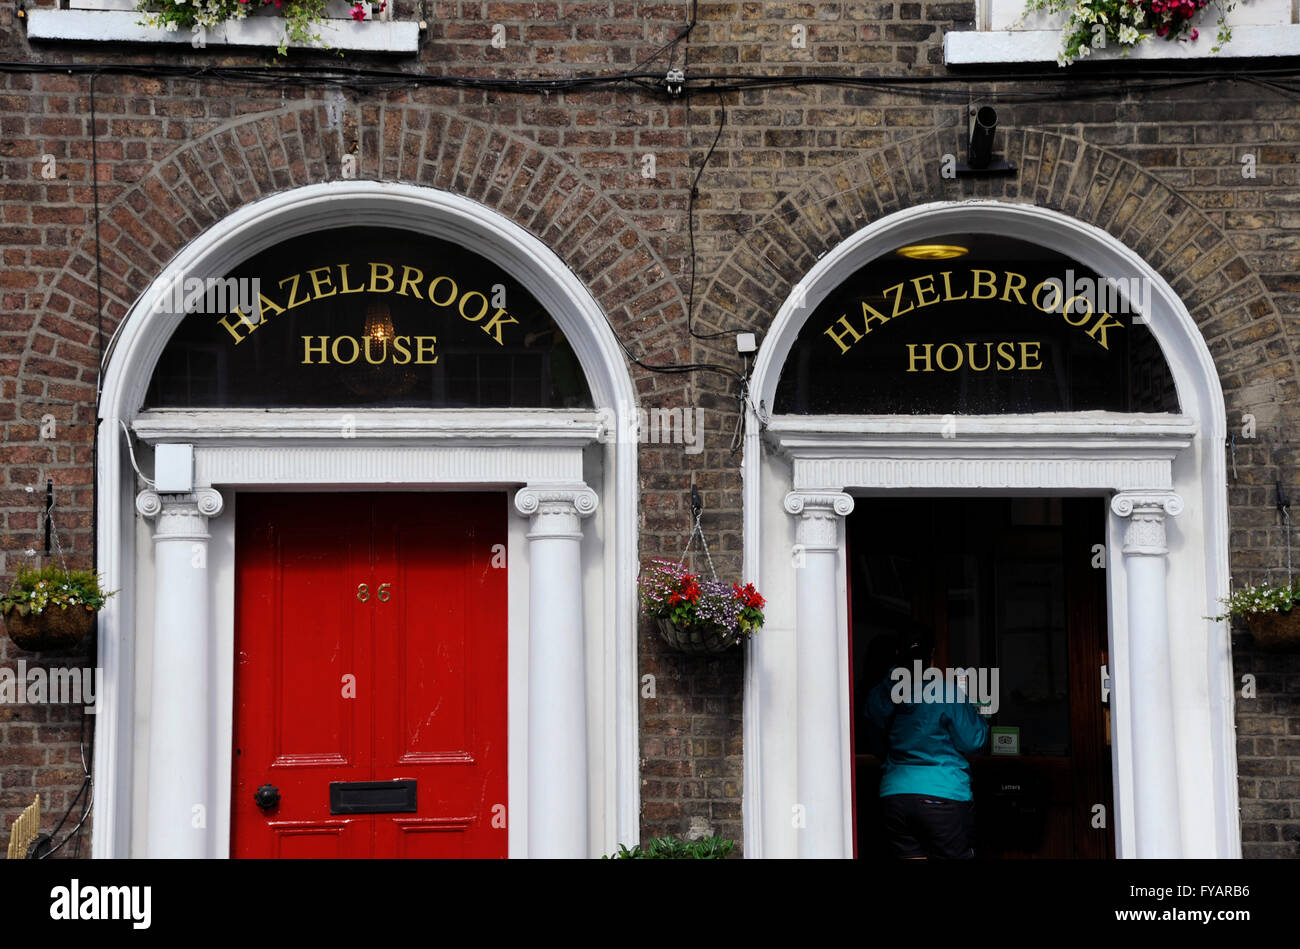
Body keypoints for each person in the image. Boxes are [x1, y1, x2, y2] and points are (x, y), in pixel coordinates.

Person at [864, 622, 988, 860]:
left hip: (895, 796)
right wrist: (979, 716)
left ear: (898, 653)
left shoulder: (880, 694)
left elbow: (874, 740)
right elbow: (974, 741)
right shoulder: (947, 692)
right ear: (931, 654)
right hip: (944, 795)